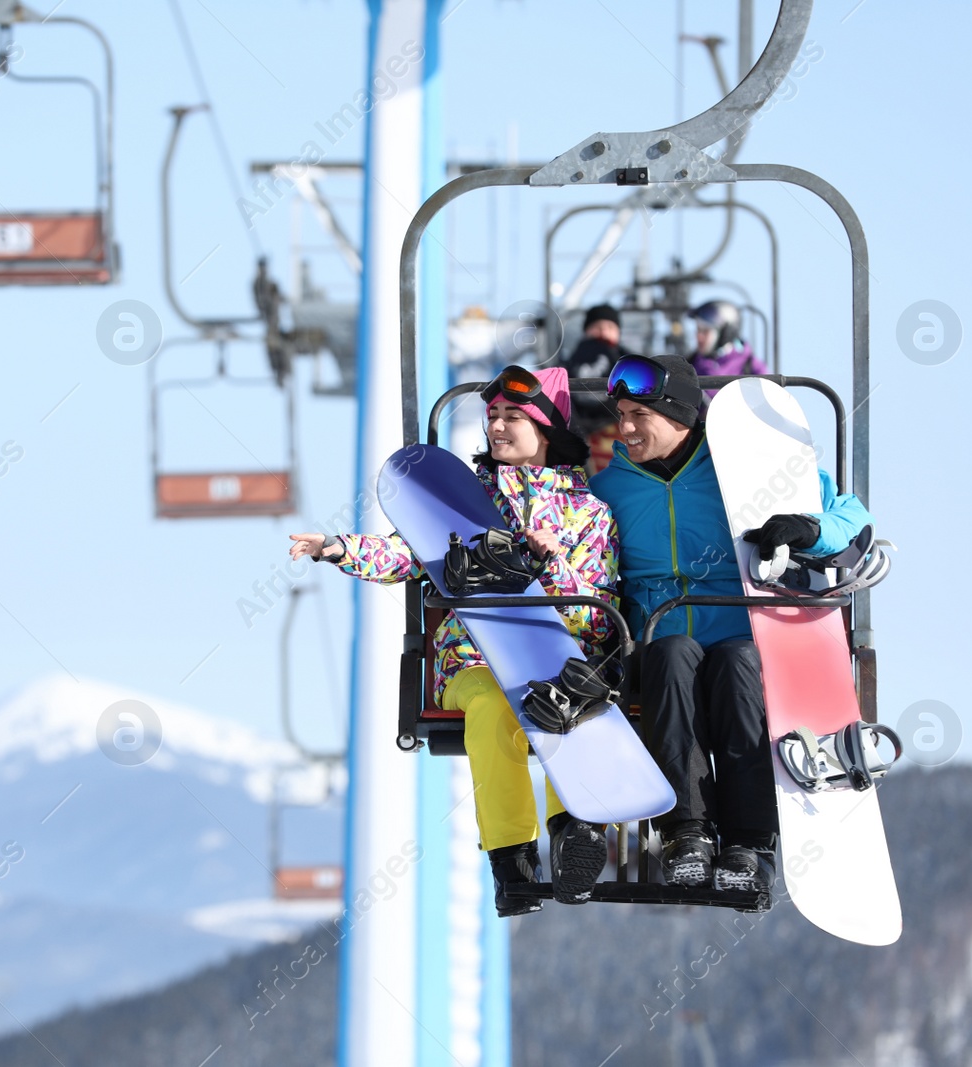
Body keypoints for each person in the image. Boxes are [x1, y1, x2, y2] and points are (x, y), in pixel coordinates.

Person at [287, 366, 619, 917]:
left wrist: (549, 564)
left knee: (568, 700)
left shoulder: (589, 515)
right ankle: (512, 862)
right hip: (476, 656)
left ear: (546, 428)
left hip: (556, 653)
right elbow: (408, 554)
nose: (497, 427)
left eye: (513, 416)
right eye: (492, 416)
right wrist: (339, 548)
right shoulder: (463, 501)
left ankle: (574, 832)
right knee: (493, 707)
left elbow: (592, 611)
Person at [591, 355, 874, 892]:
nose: (623, 429)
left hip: (744, 628)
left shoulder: (744, 468)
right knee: (671, 655)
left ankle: (750, 840)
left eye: (636, 415)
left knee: (740, 665)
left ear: (678, 414)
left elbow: (853, 519)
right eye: (620, 414)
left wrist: (807, 529)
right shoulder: (610, 490)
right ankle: (686, 832)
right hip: (656, 634)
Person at [558, 305, 633, 473]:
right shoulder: (570, 363)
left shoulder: (630, 362)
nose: (603, 332)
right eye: (597, 327)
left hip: (618, 432)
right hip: (580, 435)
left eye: (609, 328)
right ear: (586, 331)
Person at [689, 300, 768, 381]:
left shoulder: (752, 369)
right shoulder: (688, 366)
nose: (699, 336)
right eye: (698, 330)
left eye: (705, 331)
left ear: (725, 333)